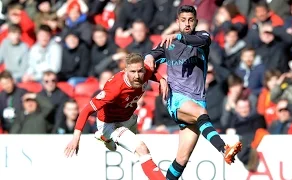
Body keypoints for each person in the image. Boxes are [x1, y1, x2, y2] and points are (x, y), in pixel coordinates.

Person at [144, 5, 242, 180]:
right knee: (200, 114)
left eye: (190, 20)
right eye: (183, 20)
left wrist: (179, 36)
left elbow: (201, 41)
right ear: (177, 22)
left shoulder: (202, 38)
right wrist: (153, 64)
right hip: (177, 100)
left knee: (182, 159)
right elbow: (149, 58)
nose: (187, 24)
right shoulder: (169, 44)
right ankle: (224, 149)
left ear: (195, 21)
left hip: (197, 101)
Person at [64, 53, 167, 180]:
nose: (137, 76)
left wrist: (161, 79)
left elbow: (151, 72)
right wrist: (76, 138)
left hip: (128, 117)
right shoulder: (114, 89)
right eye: (132, 72)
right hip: (110, 123)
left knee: (118, 148)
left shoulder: (144, 71)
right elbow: (86, 111)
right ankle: (104, 134)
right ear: (125, 71)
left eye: (140, 71)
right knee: (141, 148)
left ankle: (104, 137)